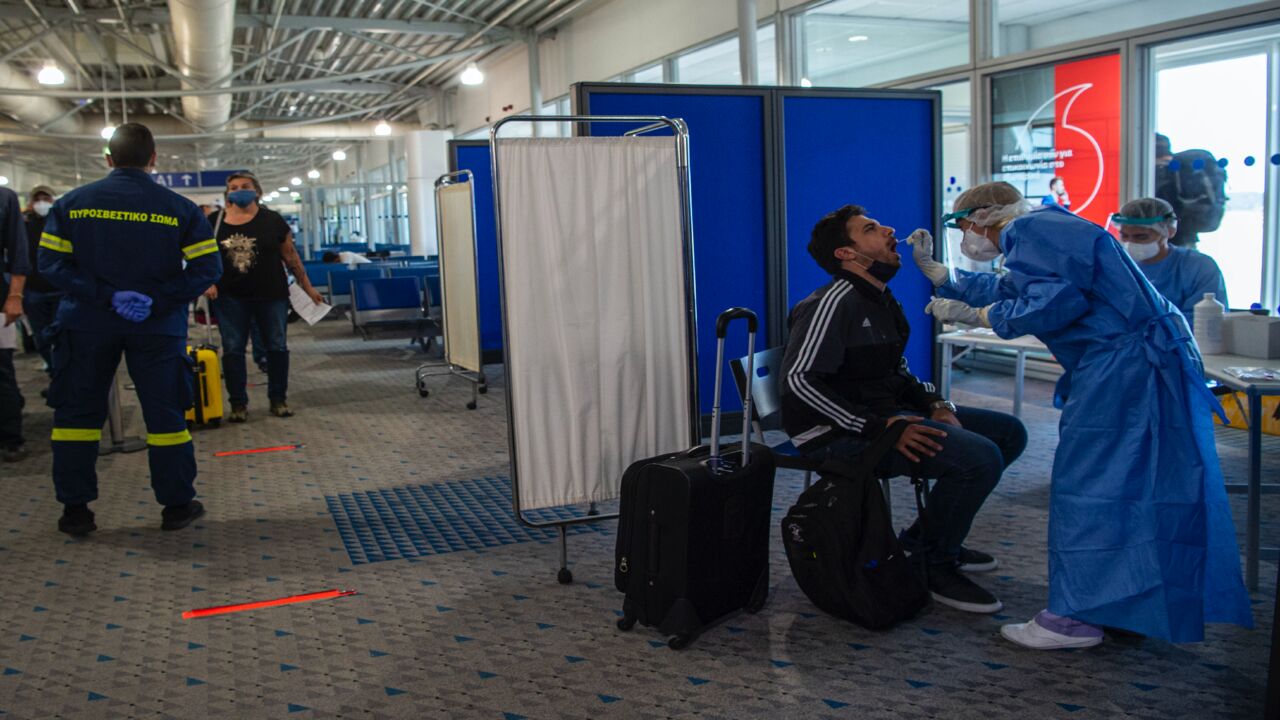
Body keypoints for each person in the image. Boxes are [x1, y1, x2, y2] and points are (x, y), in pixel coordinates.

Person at [917, 181, 1252, 649]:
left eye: (963, 224)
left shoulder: (1031, 232)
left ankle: (1074, 618)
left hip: (1127, 371)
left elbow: (1054, 302)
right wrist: (945, 276)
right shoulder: (1044, 228)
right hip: (1137, 365)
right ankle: (1128, 605)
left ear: (984, 217)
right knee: (1138, 486)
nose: (966, 235)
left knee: (1091, 486)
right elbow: (1018, 285)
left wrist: (985, 317)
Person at [781, 204, 1027, 615]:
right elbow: (799, 380)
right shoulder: (831, 302)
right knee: (979, 458)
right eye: (871, 229)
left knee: (1008, 434)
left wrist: (934, 403)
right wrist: (880, 428)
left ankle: (922, 541)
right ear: (847, 253)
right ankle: (934, 563)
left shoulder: (881, 298)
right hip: (836, 434)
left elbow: (896, 371)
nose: (890, 230)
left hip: (883, 418)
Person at [37, 122, 222, 534]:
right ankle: (176, 506)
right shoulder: (180, 208)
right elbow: (208, 268)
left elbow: (50, 265)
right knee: (166, 416)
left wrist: (106, 296)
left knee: (76, 417)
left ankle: (76, 511)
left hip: (86, 324)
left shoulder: (72, 204)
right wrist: (156, 299)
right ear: (153, 159)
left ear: (107, 159)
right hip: (156, 328)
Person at [204, 171, 324, 422]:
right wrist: (207, 281)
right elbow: (203, 256)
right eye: (233, 187)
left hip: (271, 294)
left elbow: (290, 256)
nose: (239, 191)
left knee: (277, 347)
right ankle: (238, 404)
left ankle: (278, 399)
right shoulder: (215, 221)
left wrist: (308, 287)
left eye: (245, 186)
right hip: (230, 296)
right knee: (233, 350)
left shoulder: (273, 221)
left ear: (257, 191)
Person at [1109, 197, 1227, 323]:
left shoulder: (1198, 268)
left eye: (1141, 236)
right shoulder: (1115, 267)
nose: (1130, 243)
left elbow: (1204, 324)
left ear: (1169, 231)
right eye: (1124, 236)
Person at [1, 186, 30, 462]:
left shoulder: (4, 198)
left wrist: (15, 296)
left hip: (0, 299)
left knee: (2, 371)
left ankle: (11, 437)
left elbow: (18, 251)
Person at [22, 185, 61, 375]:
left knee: (62, 335)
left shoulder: (61, 222)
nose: (41, 203)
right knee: (41, 335)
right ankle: (54, 372)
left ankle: (63, 373)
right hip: (33, 289)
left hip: (60, 288)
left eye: (46, 198)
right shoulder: (23, 225)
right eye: (37, 199)